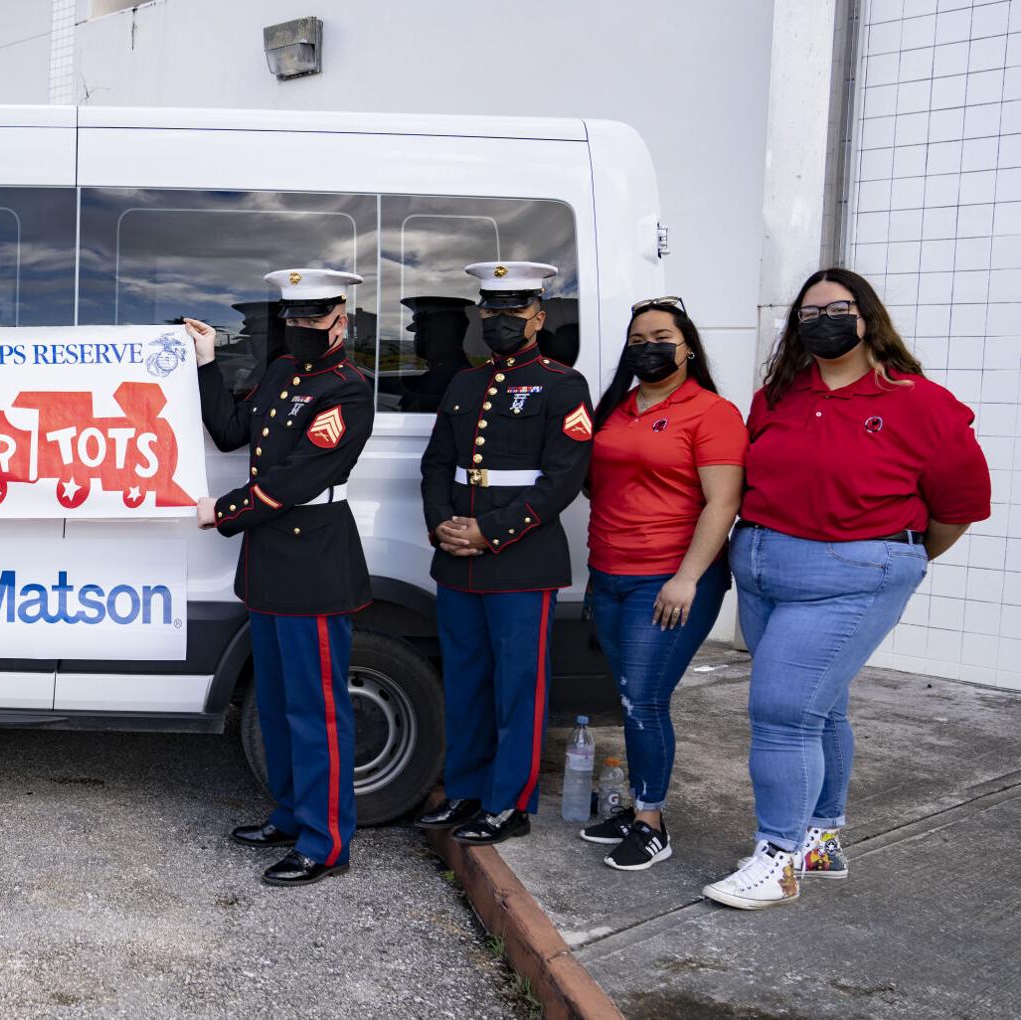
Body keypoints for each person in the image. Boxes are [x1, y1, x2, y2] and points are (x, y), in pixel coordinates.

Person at [703, 268, 989, 909]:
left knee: (780, 713)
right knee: (821, 708)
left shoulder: (922, 402)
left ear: (868, 317)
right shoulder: (779, 394)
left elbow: (959, 506)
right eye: (808, 313)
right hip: (763, 571)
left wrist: (884, 559)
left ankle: (776, 860)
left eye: (838, 308)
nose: (822, 321)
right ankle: (821, 838)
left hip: (850, 579)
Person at [186, 266, 374, 887]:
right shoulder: (279, 373)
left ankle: (325, 843)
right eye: (291, 319)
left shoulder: (348, 389)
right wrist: (207, 362)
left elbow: (299, 477)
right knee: (278, 703)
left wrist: (228, 510)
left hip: (313, 562)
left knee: (316, 711)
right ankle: (292, 814)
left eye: (312, 319)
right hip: (269, 563)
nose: (299, 329)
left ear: (340, 320)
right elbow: (229, 430)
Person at [413, 261, 593, 846]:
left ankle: (509, 802)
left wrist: (490, 532)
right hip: (457, 556)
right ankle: (465, 789)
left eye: (512, 312)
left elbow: (564, 477)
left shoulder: (563, 384)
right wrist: (443, 524)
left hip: (520, 557)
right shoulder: (464, 384)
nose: (500, 322)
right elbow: (437, 463)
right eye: (490, 311)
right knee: (465, 679)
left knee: (519, 685)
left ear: (538, 317)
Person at [578, 297, 744, 871]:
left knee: (644, 699)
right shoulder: (616, 409)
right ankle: (639, 806)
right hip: (610, 575)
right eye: (638, 338)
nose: (648, 346)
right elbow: (598, 485)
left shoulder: (711, 412)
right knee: (629, 696)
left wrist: (688, 577)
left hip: (669, 581)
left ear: (687, 345)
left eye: (661, 336)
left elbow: (723, 503)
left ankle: (651, 823)